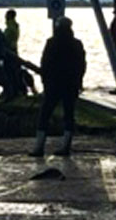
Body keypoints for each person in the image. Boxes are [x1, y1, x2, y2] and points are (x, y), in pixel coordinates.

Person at [32, 17, 86, 158]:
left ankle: (39, 147)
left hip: (53, 85)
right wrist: (79, 82)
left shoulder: (51, 43)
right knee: (69, 115)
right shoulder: (77, 44)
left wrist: (45, 81)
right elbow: (81, 65)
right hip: (70, 84)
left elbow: (45, 63)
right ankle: (66, 146)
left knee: (44, 115)